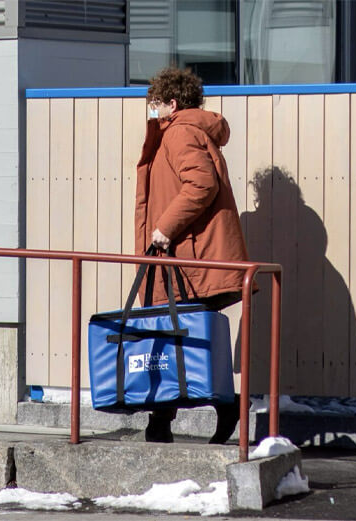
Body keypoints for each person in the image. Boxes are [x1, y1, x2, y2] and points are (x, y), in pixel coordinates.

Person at [134, 67, 249, 444]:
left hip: (186, 259)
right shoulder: (190, 130)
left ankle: (172, 420)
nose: (151, 112)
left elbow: (201, 182)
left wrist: (165, 227)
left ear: (170, 102)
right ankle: (165, 422)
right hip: (188, 257)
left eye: (155, 104)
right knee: (176, 337)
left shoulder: (179, 131)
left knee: (170, 337)